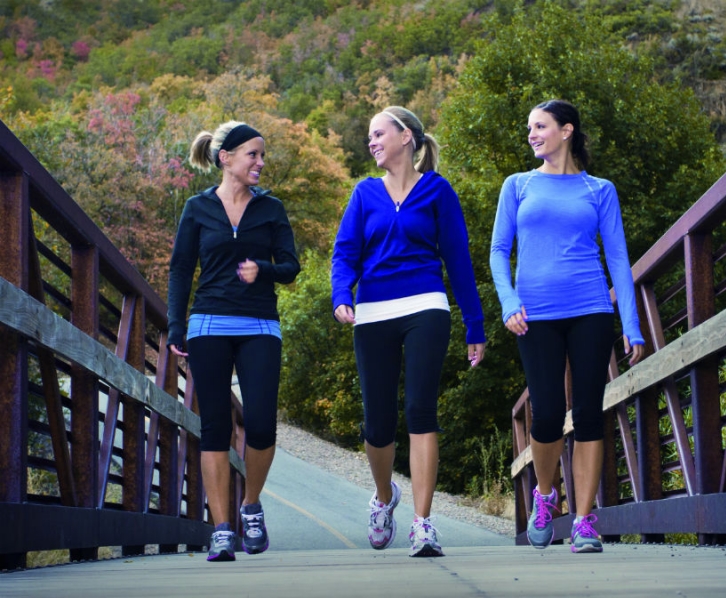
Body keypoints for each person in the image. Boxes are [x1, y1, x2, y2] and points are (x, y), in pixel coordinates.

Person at [489, 100, 645, 553]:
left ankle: (583, 521)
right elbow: (499, 251)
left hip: (590, 308)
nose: (532, 134)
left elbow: (617, 258)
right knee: (549, 412)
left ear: (566, 130)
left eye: (540, 126)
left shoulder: (599, 190)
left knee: (591, 411)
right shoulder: (517, 186)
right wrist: (509, 301)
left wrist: (631, 325)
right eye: (530, 128)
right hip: (534, 314)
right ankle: (545, 495)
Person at [331, 106, 486, 557]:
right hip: (373, 310)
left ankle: (423, 523)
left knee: (421, 409)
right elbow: (345, 253)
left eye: (379, 133)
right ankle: (383, 497)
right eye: (369, 136)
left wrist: (474, 324)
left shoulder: (437, 191)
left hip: (426, 305)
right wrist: (342, 295)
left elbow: (458, 261)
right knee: (377, 422)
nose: (372, 142)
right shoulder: (363, 194)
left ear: (406, 137)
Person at [167, 121, 300, 562]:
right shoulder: (197, 208)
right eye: (253, 155)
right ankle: (222, 528)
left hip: (260, 323)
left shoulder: (271, 209)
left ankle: (251, 505)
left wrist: (263, 268)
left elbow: (291, 266)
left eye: (263, 156)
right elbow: (181, 268)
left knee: (261, 424)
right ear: (225, 158)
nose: (260, 163)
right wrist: (174, 325)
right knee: (215, 428)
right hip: (208, 324)